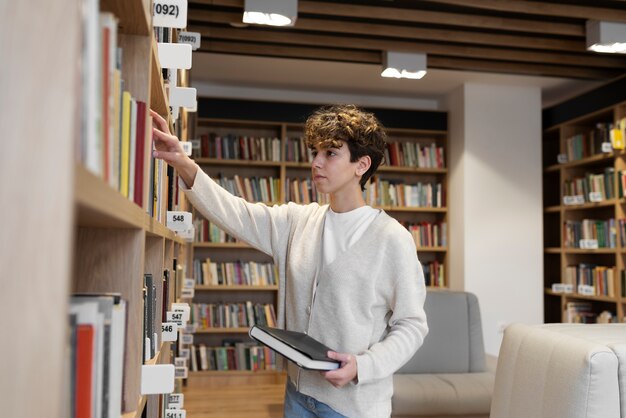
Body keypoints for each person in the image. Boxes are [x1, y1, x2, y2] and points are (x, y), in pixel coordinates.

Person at [151, 104, 428, 418]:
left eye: (331, 154)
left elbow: (411, 325)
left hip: (353, 407)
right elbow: (236, 213)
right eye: (315, 152)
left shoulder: (392, 239)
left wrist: (363, 366)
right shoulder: (298, 221)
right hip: (297, 396)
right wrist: (184, 164)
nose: (316, 163)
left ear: (361, 164)